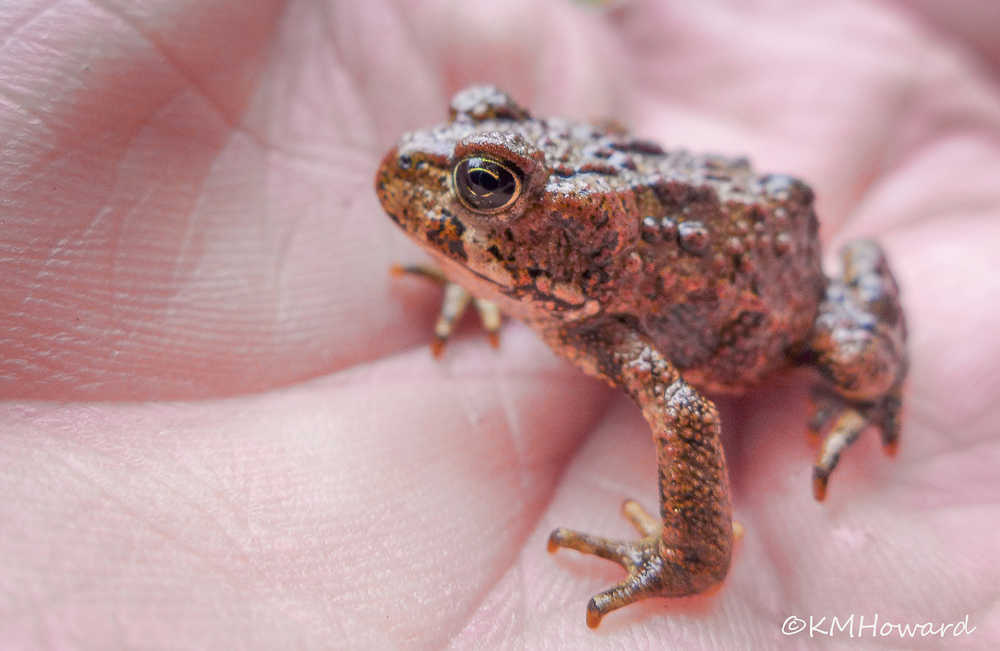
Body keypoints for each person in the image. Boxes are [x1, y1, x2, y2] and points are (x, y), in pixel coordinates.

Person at [1, 0, 997, 647]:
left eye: (483, 184)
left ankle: (844, 415)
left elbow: (685, 407)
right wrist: (494, 279)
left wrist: (691, 562)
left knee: (858, 356)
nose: (430, 170)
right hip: (642, 214)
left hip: (772, 296)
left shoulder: (612, 322)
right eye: (479, 144)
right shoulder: (559, 271)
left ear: (547, 233)